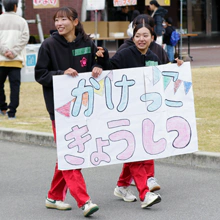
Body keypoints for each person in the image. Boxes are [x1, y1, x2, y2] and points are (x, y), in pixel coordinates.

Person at [35, 6, 103, 217]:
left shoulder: (87, 43)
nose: (59, 23)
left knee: (70, 153)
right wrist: (61, 74)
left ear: (75, 22)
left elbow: (96, 63)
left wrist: (99, 64)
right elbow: (40, 74)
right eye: (57, 20)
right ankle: (84, 201)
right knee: (72, 154)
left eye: (64, 19)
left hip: (84, 109)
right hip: (60, 111)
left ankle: (54, 197)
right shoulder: (48, 45)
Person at [96, 23, 163, 209]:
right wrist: (101, 60)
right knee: (135, 151)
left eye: (145, 35)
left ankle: (122, 186)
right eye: (138, 35)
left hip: (145, 112)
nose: (141, 39)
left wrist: (177, 65)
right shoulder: (125, 53)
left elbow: (160, 77)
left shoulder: (154, 57)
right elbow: (110, 68)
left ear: (152, 38)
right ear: (133, 38)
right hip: (125, 111)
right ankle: (144, 193)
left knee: (135, 149)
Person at [0, 0, 29, 118]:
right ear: (15, 7)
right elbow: (25, 38)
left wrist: (4, 51)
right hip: (16, 60)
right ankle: (12, 111)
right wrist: (14, 52)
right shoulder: (21, 21)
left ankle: (2, 108)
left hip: (1, 60)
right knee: (15, 87)